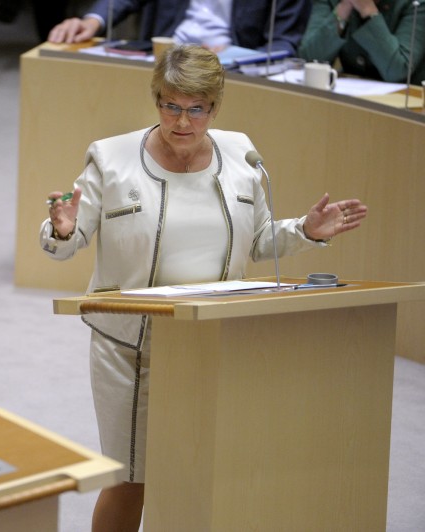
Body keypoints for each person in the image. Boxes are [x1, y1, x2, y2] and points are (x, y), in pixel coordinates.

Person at [39, 44, 368, 532]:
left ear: (214, 107)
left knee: (205, 469)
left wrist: (306, 231)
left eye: (196, 108)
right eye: (170, 105)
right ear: (156, 101)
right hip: (132, 349)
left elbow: (259, 241)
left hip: (216, 341)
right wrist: (63, 228)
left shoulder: (241, 154)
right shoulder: (110, 159)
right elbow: (64, 246)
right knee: (132, 478)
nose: (182, 121)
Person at [47, 0, 312, 55]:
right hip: (165, 56)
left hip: (230, 71)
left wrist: (236, 55)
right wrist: (93, 20)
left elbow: (283, 42)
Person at [298, 0, 425, 85]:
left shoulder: (416, 4)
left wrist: (368, 11)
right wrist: (344, 8)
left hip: (407, 109)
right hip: (352, 102)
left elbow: (398, 70)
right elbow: (309, 59)